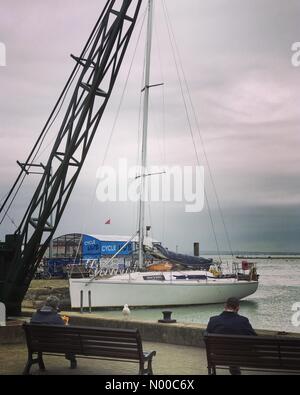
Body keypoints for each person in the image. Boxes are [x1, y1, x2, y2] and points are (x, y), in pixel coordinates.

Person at [206, 297, 256, 375]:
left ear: (225, 306)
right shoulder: (243, 320)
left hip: (218, 356)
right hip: (240, 357)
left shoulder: (213, 320)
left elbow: (205, 337)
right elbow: (254, 338)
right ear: (238, 308)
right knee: (235, 352)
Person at [30, 296, 76, 369]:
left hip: (38, 345)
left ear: (46, 304)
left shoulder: (34, 316)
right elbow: (64, 331)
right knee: (70, 337)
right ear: (56, 306)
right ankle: (72, 359)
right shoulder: (56, 317)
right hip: (56, 345)